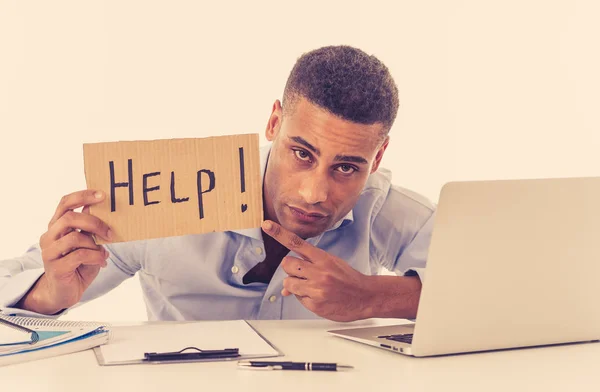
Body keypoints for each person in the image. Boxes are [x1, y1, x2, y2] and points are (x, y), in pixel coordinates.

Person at [0, 45, 436, 322]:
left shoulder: (384, 210)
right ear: (273, 123)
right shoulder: (166, 192)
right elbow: (8, 282)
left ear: (377, 158)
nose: (314, 194)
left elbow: (494, 294)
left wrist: (373, 297)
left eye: (346, 168)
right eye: (302, 153)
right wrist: (48, 293)